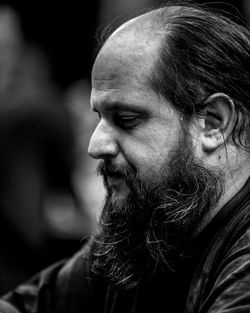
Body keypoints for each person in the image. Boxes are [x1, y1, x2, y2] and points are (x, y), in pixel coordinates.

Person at [1, 1, 250, 312]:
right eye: (100, 117)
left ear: (213, 123)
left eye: (126, 119)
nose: (96, 145)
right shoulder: (156, 224)